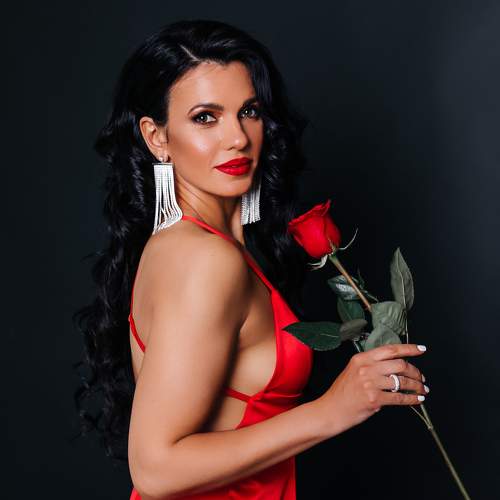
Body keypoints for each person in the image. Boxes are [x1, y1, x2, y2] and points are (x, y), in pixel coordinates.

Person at [73, 19, 429, 499]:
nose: (238, 137)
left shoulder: (201, 247)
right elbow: (155, 469)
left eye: (249, 111)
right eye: (205, 117)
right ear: (157, 137)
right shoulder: (204, 258)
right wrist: (332, 409)